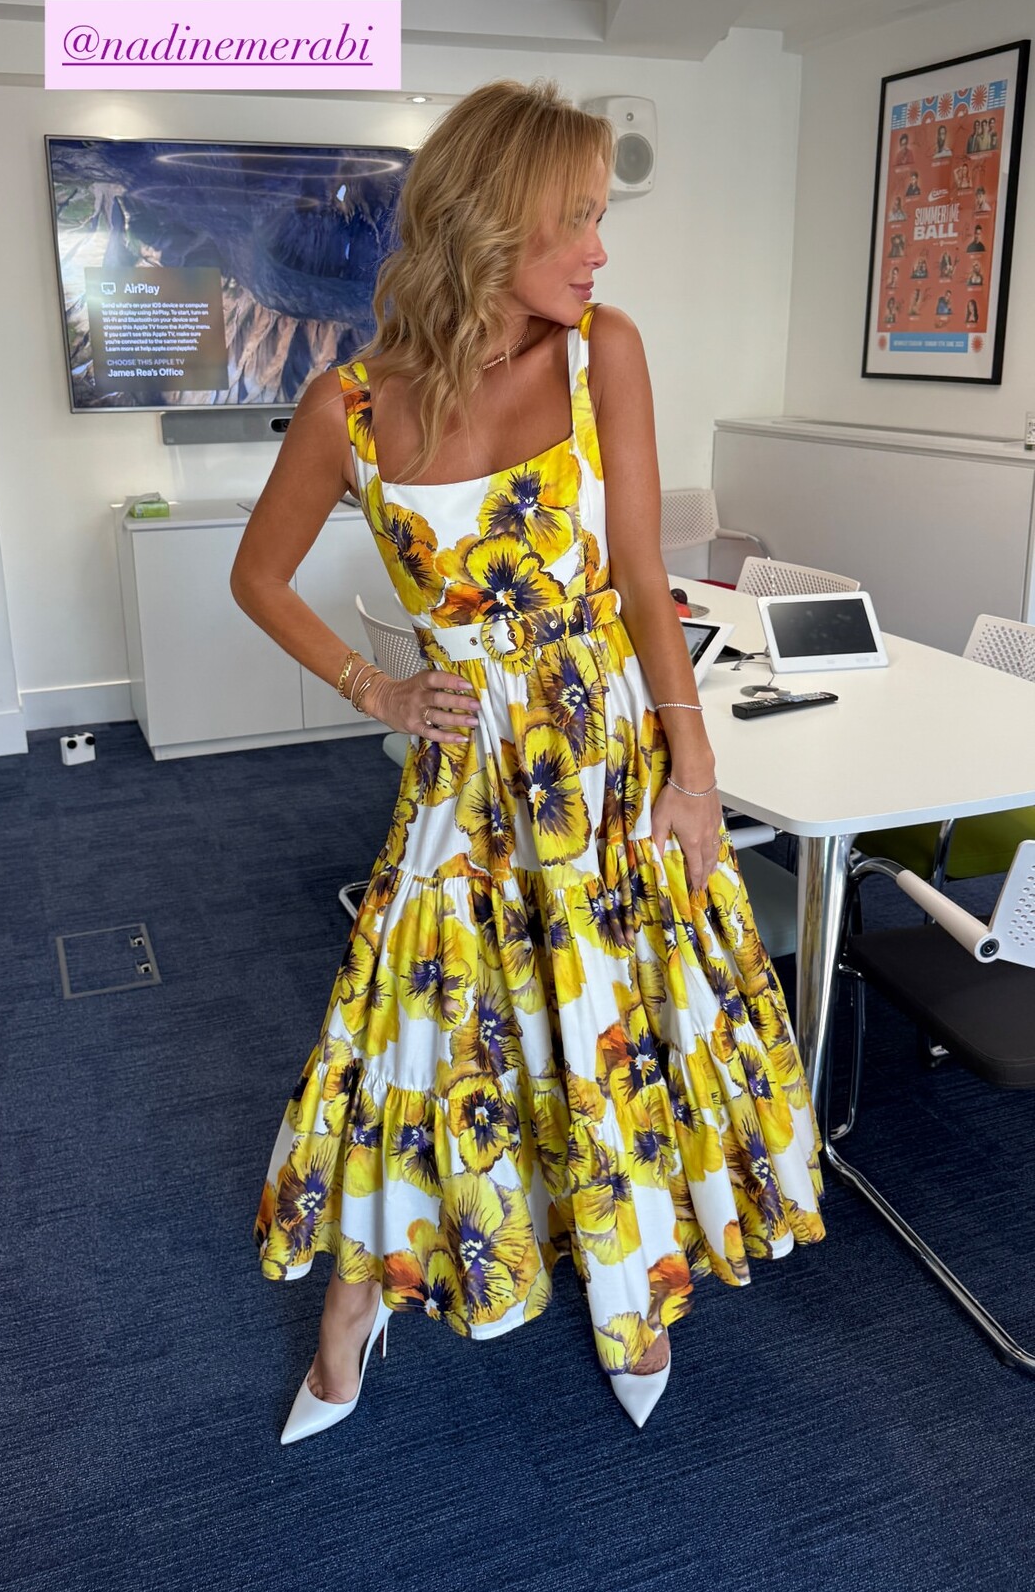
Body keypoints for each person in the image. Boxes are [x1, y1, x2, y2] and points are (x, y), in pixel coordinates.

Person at [231, 80, 824, 1444]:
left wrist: (692, 773)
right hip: (465, 782)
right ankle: (352, 1311)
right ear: (492, 225)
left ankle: (635, 1294)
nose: (602, 251)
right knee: (411, 1031)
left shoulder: (604, 350)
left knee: (619, 1022)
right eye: (579, 219)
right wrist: (379, 686)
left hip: (607, 770)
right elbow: (259, 578)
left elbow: (639, 580)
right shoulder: (348, 407)